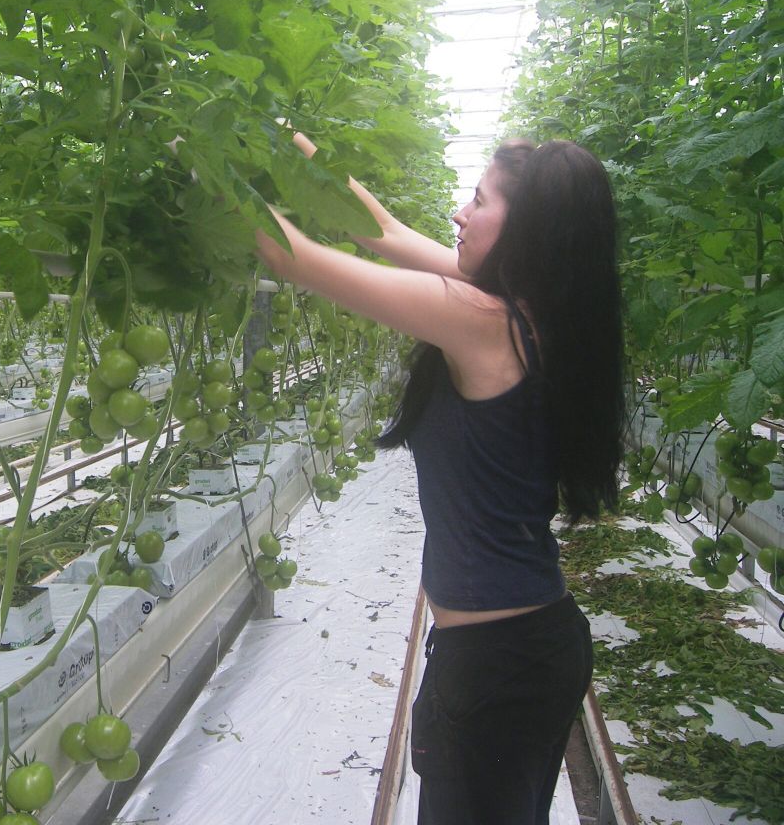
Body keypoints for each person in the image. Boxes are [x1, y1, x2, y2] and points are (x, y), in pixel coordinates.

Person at [255, 133, 623, 825]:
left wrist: (199, 141)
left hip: (496, 671)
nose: (458, 212)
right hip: (524, 651)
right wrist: (301, 149)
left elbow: (285, 256)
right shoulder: (531, 314)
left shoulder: (484, 324)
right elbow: (383, 231)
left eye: (478, 200)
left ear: (526, 231)